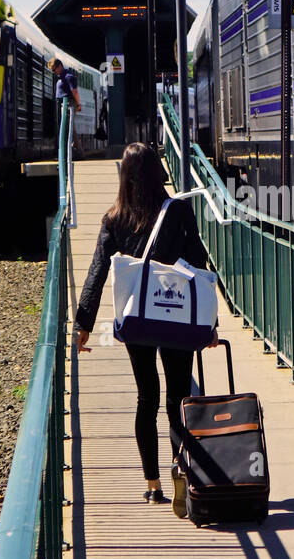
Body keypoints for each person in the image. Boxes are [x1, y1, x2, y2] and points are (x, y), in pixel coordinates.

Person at [74, 142, 217, 516]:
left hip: (137, 320)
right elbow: (199, 268)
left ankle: (152, 485)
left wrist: (83, 324)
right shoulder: (179, 211)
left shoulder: (115, 217)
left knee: (146, 398)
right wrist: (209, 326)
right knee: (178, 400)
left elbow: (97, 271)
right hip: (177, 319)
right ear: (158, 172)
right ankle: (181, 470)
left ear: (124, 175)